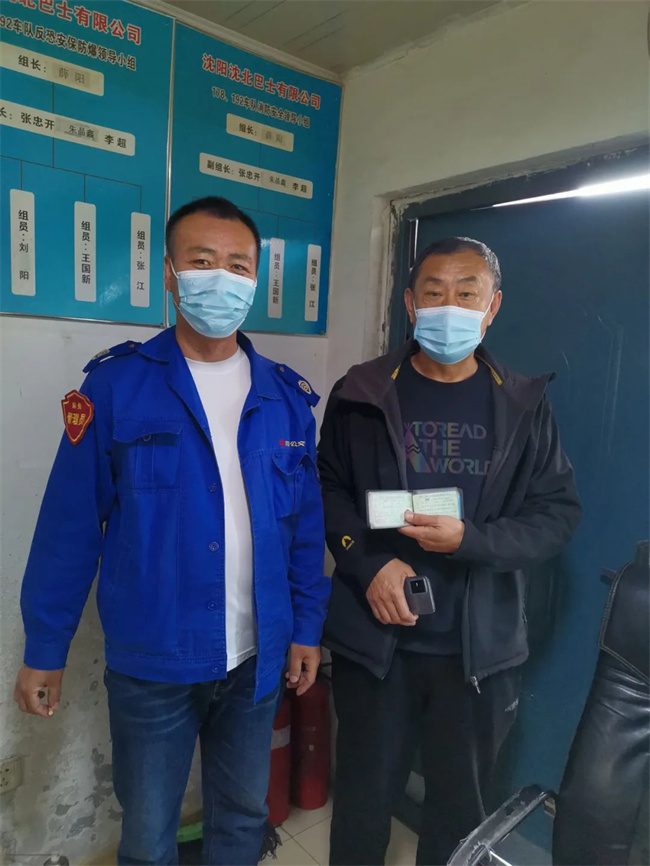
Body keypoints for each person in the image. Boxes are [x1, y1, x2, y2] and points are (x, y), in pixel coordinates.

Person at [14, 196, 330, 866]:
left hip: (256, 656)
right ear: (169, 273)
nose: (221, 278)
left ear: (256, 279)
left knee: (243, 819)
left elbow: (304, 529)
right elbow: (70, 526)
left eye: (238, 265)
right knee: (149, 831)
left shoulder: (286, 397)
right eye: (202, 261)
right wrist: (46, 645)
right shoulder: (115, 386)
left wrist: (306, 627)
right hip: (153, 658)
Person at [318, 237, 581, 865]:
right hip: (375, 647)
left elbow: (557, 514)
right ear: (411, 304)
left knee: (459, 817)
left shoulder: (523, 404)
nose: (449, 307)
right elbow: (325, 489)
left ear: (492, 307)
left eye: (467, 293)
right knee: (361, 804)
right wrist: (369, 563)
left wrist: (472, 540)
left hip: (476, 657)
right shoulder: (361, 392)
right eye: (434, 293)